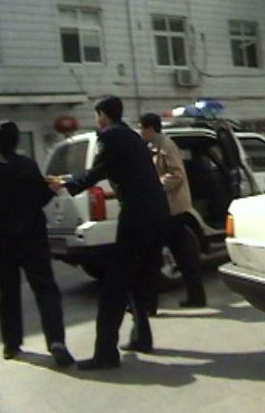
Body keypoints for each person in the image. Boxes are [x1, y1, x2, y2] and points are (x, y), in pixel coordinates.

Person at [47, 96, 170, 370]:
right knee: (137, 278)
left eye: (97, 115)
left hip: (137, 217)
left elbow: (96, 172)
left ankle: (105, 353)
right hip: (157, 214)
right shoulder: (132, 136)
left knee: (114, 285)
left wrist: (65, 184)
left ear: (102, 114)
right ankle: (142, 337)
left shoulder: (110, 137)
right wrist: (69, 181)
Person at [0, 120, 74, 366]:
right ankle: (56, 341)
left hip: (1, 240)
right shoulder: (27, 166)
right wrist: (51, 188)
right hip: (32, 238)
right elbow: (40, 196)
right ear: (17, 141)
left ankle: (11, 345)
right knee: (46, 289)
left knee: (8, 293)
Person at [139, 113, 207, 308]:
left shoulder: (166, 145)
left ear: (150, 129)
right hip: (167, 210)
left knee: (153, 255)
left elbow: (176, 174)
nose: (140, 132)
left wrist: (155, 186)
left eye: (142, 128)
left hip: (172, 209)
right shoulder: (153, 146)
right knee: (184, 255)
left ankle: (149, 304)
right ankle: (196, 296)